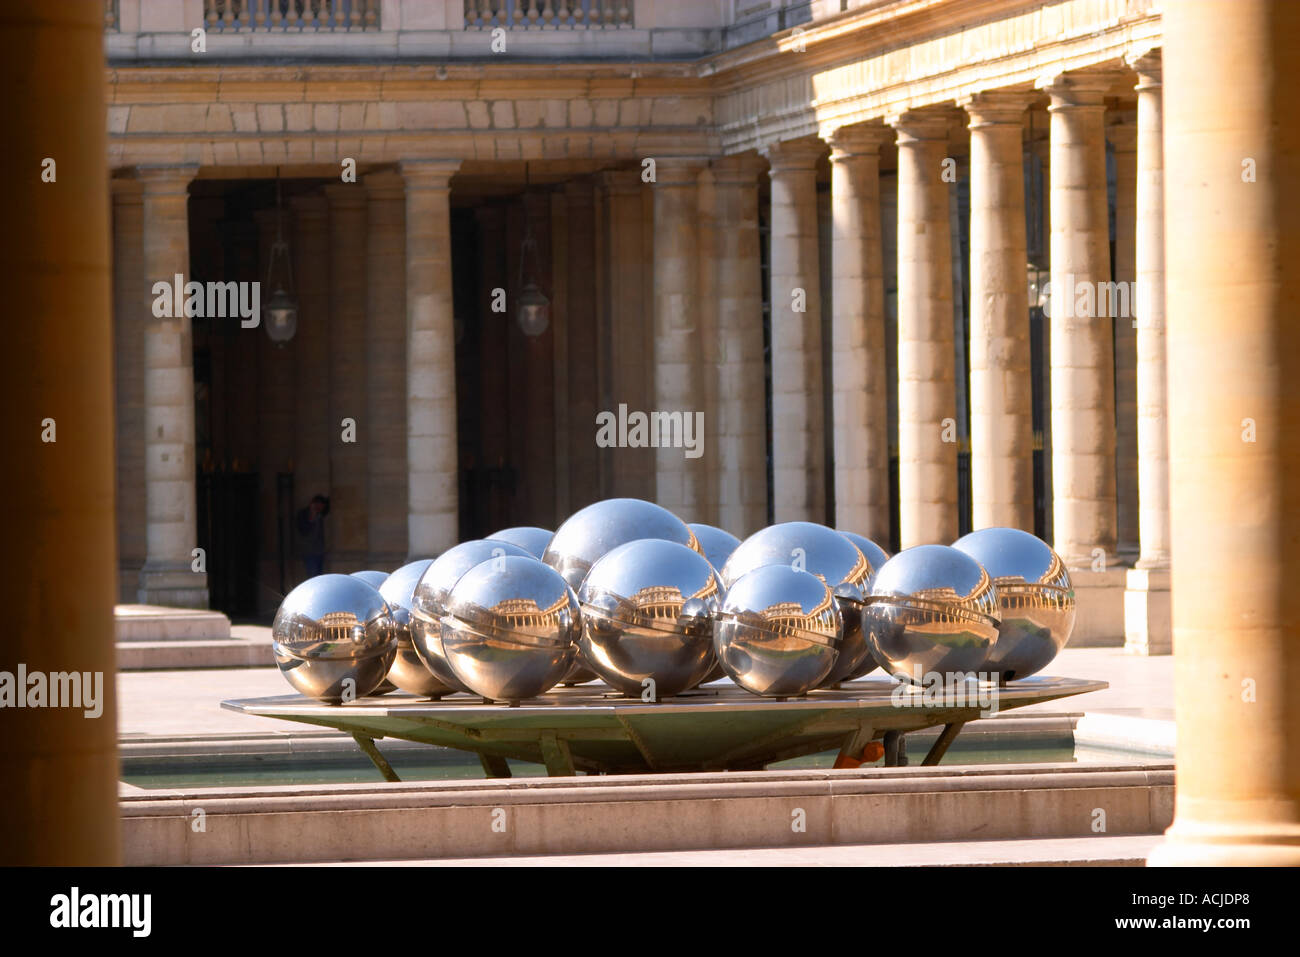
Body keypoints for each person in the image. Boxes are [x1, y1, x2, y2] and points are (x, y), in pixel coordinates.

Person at [296, 494, 329, 577]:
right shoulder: (303, 514)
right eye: (320, 506)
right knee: (312, 576)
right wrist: (312, 516)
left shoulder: (320, 515)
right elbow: (304, 530)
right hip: (309, 551)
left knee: (320, 577)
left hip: (320, 551)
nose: (321, 509)